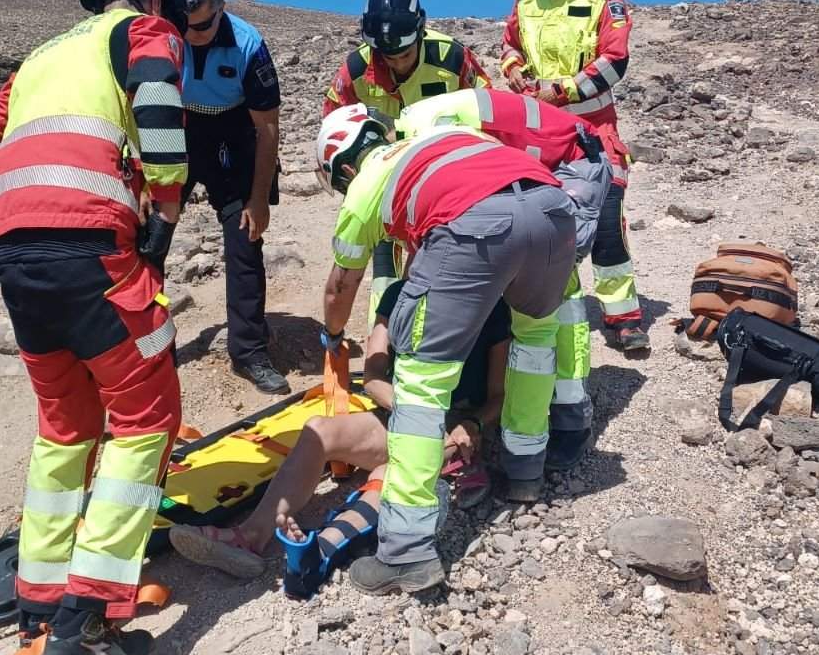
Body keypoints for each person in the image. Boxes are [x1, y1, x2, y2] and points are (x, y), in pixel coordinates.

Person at [0, 0, 189, 655]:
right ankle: (87, 621)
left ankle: (41, 597)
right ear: (150, 0)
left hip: (14, 251)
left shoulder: (41, 61)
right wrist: (168, 202)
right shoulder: (141, 32)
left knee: (64, 423)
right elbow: (156, 101)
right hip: (87, 243)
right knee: (146, 414)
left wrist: (1, 194)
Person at [315, 104, 579, 594]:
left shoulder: (367, 180)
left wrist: (332, 337)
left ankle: (406, 551)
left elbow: (340, 286)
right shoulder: (444, 137)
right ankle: (525, 470)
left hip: (476, 223)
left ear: (345, 167)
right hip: (553, 210)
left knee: (421, 376)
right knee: (536, 339)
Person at [167, 277, 508, 583]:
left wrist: (473, 424)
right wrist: (411, 414)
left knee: (395, 470)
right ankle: (249, 538)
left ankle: (320, 552)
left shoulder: (491, 306)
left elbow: (497, 396)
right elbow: (373, 376)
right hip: (400, 415)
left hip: (453, 428)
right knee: (320, 429)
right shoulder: (399, 294)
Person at [396, 86, 612, 469]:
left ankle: (570, 417)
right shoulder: (432, 119)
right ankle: (528, 419)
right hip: (539, 175)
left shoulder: (434, 129)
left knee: (557, 293)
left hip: (575, 166)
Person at [501, 0, 649, 355]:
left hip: (594, 131)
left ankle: (623, 317)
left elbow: (614, 61)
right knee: (546, 225)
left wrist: (560, 92)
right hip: (539, 136)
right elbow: (510, 46)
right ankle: (549, 315)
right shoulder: (525, 1)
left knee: (606, 223)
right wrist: (514, 72)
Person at [324, 0, 492, 319]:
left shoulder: (453, 58)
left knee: (444, 264)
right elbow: (335, 121)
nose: (398, 64)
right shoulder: (356, 70)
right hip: (387, 183)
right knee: (385, 269)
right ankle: (383, 345)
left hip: (448, 182)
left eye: (405, 55)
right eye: (389, 58)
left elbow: (488, 109)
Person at [173, 0, 288, 395]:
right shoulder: (163, 35)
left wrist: (258, 198)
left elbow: (268, 128)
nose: (193, 34)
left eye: (203, 25)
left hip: (233, 134)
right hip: (177, 130)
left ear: (221, 9)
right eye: (186, 25)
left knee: (245, 242)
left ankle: (250, 352)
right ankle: (146, 351)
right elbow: (133, 105)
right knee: (148, 238)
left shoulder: (248, 45)